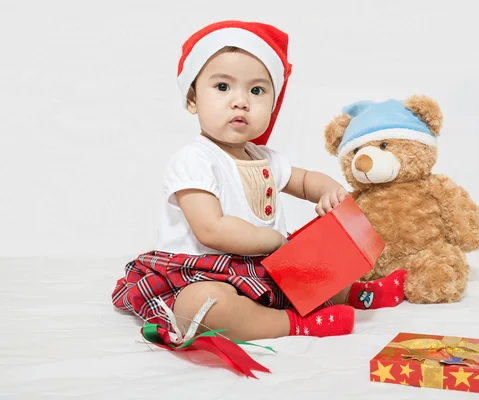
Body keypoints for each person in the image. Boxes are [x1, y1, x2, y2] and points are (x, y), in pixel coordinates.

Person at [111, 20, 407, 342]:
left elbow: (305, 180)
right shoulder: (195, 160)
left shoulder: (264, 156)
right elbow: (211, 229)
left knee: (321, 264)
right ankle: (295, 324)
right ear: (193, 100)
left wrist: (328, 192)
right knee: (205, 306)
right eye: (223, 87)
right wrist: (276, 241)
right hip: (202, 271)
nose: (241, 101)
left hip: (264, 267)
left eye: (256, 90)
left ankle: (357, 296)